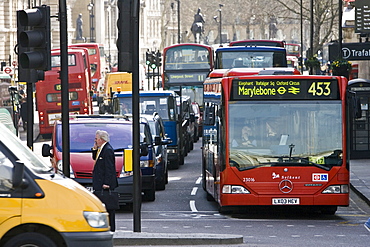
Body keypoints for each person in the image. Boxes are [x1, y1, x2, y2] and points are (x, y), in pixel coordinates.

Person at [92, 130, 118, 232]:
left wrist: (107, 183)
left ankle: (111, 228)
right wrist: (94, 149)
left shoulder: (107, 150)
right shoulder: (101, 149)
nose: (95, 141)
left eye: (96, 139)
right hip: (100, 182)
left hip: (104, 184)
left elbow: (109, 168)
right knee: (103, 206)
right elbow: (95, 158)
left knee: (109, 207)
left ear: (102, 139)